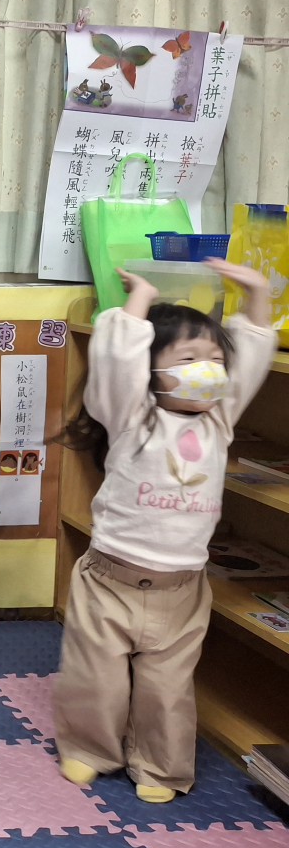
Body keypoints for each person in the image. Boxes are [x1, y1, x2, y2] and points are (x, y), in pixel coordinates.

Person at [54, 261, 274, 802]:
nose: (208, 371)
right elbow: (116, 364)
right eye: (189, 359)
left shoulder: (219, 422)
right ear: (151, 371)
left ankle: (161, 767)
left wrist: (257, 295)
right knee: (96, 675)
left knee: (168, 686)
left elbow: (251, 360)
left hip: (183, 588)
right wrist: (140, 301)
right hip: (110, 579)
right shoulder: (132, 416)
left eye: (215, 361)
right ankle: (90, 748)